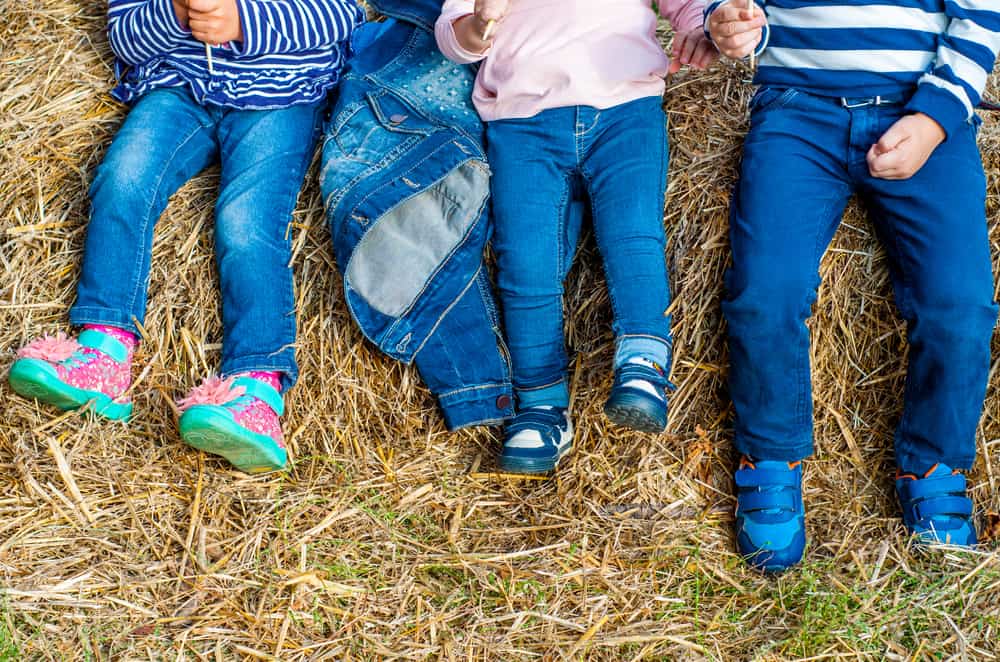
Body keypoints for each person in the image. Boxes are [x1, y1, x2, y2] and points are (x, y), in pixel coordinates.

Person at [9, 0, 364, 474]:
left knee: (246, 223)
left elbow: (341, 16)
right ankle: (104, 350)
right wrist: (175, 14)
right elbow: (126, 37)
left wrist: (244, 22)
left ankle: (256, 389)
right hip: (179, 90)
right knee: (123, 182)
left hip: (282, 94)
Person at [706, 0, 1000, 571]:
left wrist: (933, 120)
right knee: (766, 288)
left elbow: (982, 15)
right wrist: (729, 21)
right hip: (796, 112)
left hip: (920, 108)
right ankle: (769, 454)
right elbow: (741, 10)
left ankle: (934, 461)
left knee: (959, 303)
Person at [435, 0, 717, 474]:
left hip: (626, 109)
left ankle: (644, 361)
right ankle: (542, 403)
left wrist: (707, 23)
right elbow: (452, 36)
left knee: (632, 232)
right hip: (523, 122)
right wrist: (479, 24)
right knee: (526, 259)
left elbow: (688, 5)